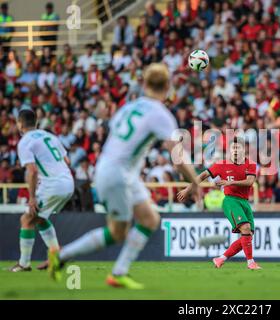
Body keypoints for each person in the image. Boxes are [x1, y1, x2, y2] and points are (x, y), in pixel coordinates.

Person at [47, 63, 200, 289]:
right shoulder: (161, 114)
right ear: (168, 86)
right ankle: (61, 256)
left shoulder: (128, 108)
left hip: (119, 170)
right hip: (117, 173)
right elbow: (177, 156)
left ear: (144, 84)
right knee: (118, 231)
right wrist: (195, 181)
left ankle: (118, 272)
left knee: (150, 219)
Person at [177, 137, 261, 270]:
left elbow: (250, 182)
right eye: (233, 148)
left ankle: (220, 258)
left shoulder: (250, 164)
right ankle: (251, 262)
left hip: (244, 202)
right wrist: (188, 189)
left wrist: (230, 182)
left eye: (238, 147)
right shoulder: (221, 165)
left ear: (243, 150)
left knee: (247, 235)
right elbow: (202, 175)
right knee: (245, 229)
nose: (235, 150)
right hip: (230, 200)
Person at [10, 108, 74, 272]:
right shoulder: (49, 136)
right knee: (40, 219)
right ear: (36, 122)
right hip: (68, 182)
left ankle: (24, 264)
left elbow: (32, 171)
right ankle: (55, 255)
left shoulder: (25, 142)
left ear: (19, 124)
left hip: (53, 185)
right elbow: (67, 160)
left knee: (27, 219)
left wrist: (32, 197)